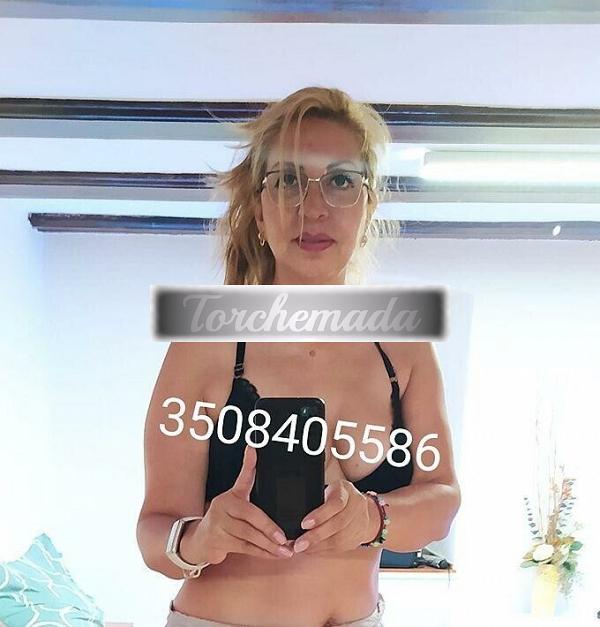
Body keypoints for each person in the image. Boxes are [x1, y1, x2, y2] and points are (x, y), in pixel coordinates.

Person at [136, 86, 461, 627]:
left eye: (341, 180)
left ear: (367, 206)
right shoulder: (206, 342)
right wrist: (201, 538)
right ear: (259, 211)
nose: (313, 207)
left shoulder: (404, 347)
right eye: (287, 180)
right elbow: (154, 532)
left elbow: (442, 500)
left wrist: (370, 517)